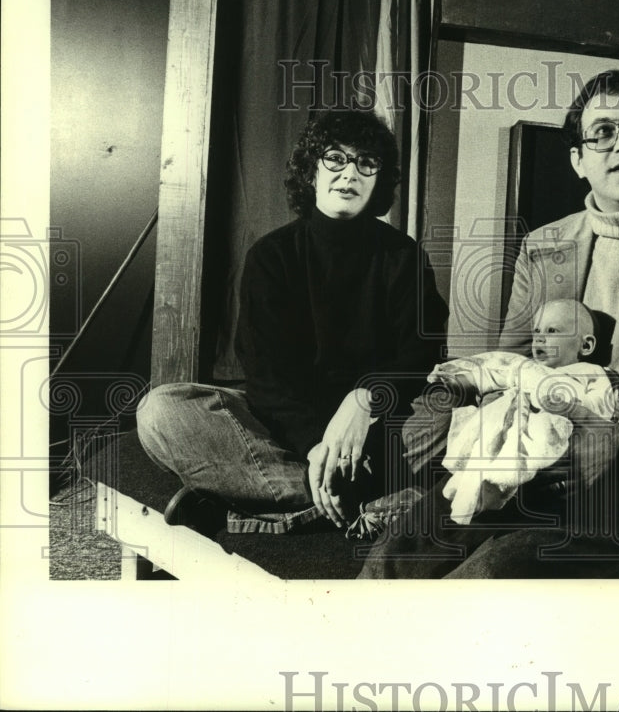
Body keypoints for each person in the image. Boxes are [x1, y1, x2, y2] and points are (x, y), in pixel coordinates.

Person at [358, 70, 619, 578]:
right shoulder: (545, 244)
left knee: (498, 574)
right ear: (578, 160)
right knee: (397, 553)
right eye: (603, 131)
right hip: (540, 455)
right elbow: (515, 369)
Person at [137, 109, 448, 534]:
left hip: (374, 430)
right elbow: (266, 377)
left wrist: (365, 398)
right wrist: (318, 446)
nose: (349, 174)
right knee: (162, 410)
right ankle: (341, 499)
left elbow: (420, 354)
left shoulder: (404, 257)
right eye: (335, 158)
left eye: (366, 162)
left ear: (379, 179)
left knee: (454, 411)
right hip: (286, 429)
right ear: (311, 171)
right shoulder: (271, 256)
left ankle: (261, 505)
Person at [433, 298, 619, 523]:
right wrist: (460, 379)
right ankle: (476, 487)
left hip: (559, 424)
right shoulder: (526, 367)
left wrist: (574, 405)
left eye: (552, 330)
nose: (540, 337)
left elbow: (601, 404)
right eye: (536, 331)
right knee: (487, 436)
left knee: (538, 441)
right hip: (514, 416)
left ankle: (500, 489)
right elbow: (494, 373)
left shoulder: (590, 372)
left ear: (586, 346)